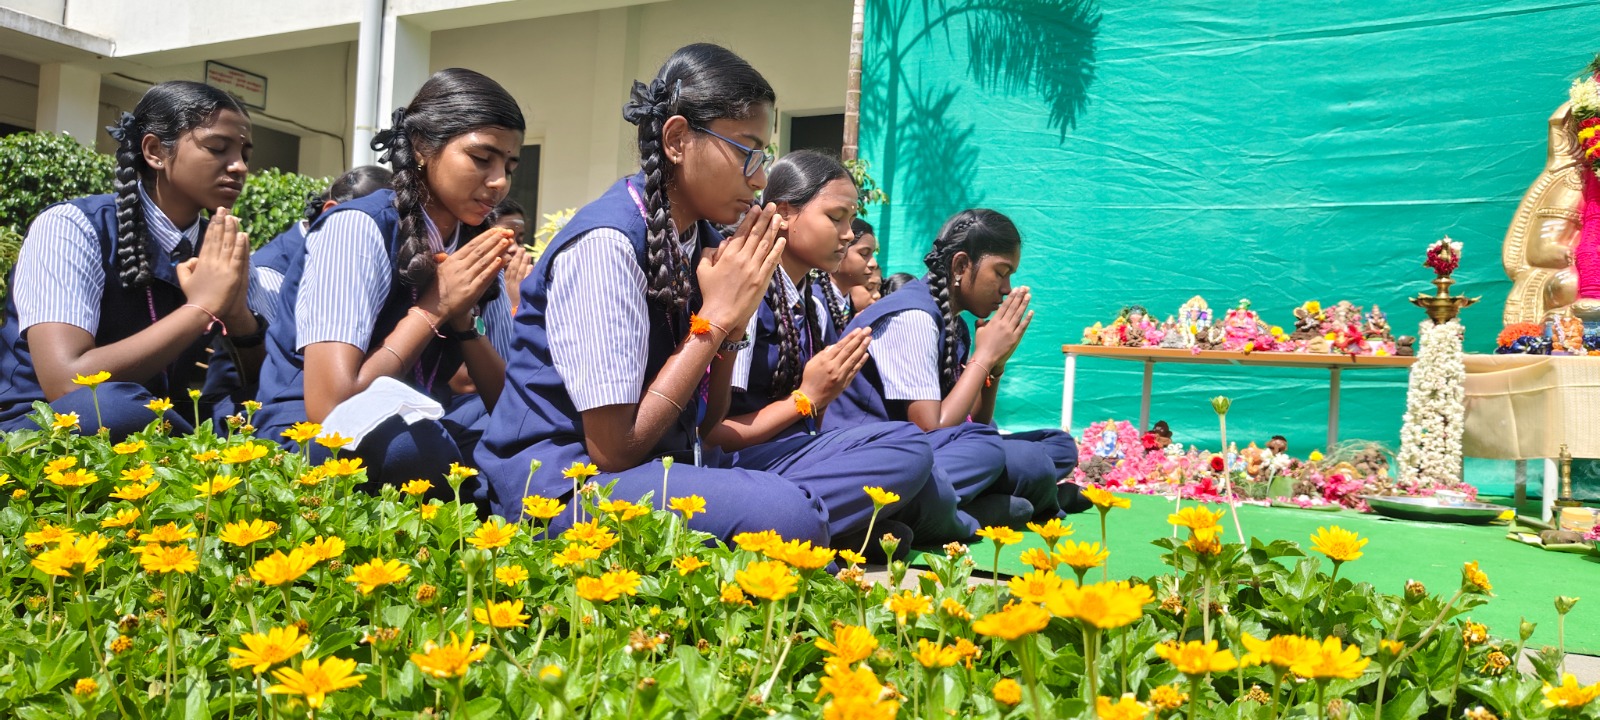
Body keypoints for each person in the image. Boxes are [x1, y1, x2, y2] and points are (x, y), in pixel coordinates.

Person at [476, 43, 933, 546]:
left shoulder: (711, 244)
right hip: (569, 485)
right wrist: (716, 317)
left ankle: (805, 521)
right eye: (746, 150)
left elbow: (710, 424)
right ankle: (819, 522)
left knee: (905, 448)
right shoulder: (607, 243)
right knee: (786, 513)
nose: (760, 179)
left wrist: (732, 329)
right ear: (677, 139)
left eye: (763, 157)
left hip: (674, 465)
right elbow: (612, 451)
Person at [254, 68, 525, 495]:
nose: (499, 182)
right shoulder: (357, 228)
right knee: (409, 449)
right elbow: (332, 407)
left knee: (530, 452)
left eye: (509, 166)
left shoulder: (476, 243)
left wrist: (464, 324)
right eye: (481, 159)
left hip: (426, 418)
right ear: (421, 147)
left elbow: (508, 406)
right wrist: (435, 306)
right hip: (309, 437)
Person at [709, 150, 978, 546]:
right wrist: (805, 400)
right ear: (783, 213)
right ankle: (831, 523)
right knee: (911, 451)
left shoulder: (813, 305)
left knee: (931, 448)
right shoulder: (746, 295)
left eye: (851, 220)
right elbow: (714, 435)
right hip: (740, 467)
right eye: (836, 218)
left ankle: (861, 523)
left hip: (797, 457)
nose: (849, 234)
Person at [0, 80, 260, 438]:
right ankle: (192, 450)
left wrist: (239, 319)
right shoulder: (72, 227)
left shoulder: (221, 246)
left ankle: (188, 448)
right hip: (50, 427)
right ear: (155, 151)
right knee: (112, 409)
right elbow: (67, 382)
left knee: (270, 414)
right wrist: (200, 308)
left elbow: (270, 381)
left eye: (245, 154)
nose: (239, 167)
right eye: (218, 148)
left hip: (163, 418)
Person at [824, 209, 1089, 526]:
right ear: (961, 266)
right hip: (874, 461)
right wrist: (984, 357)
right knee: (1016, 459)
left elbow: (975, 421)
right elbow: (932, 430)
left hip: (931, 451)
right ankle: (948, 509)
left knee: (1057, 444)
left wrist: (995, 368)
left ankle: (961, 506)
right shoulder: (913, 316)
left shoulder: (954, 324)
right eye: (1001, 272)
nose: (1006, 288)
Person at [820, 217, 878, 335]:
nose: (873, 264)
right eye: (864, 254)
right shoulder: (816, 304)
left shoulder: (849, 307)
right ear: (840, 251)